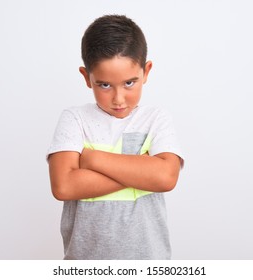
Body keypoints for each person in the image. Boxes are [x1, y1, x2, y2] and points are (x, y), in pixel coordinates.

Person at [47, 14, 184, 260]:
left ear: (146, 71)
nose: (119, 98)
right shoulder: (74, 119)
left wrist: (93, 160)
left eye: (130, 83)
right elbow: (64, 185)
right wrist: (142, 170)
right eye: (105, 85)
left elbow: (165, 177)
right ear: (86, 77)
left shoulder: (156, 119)